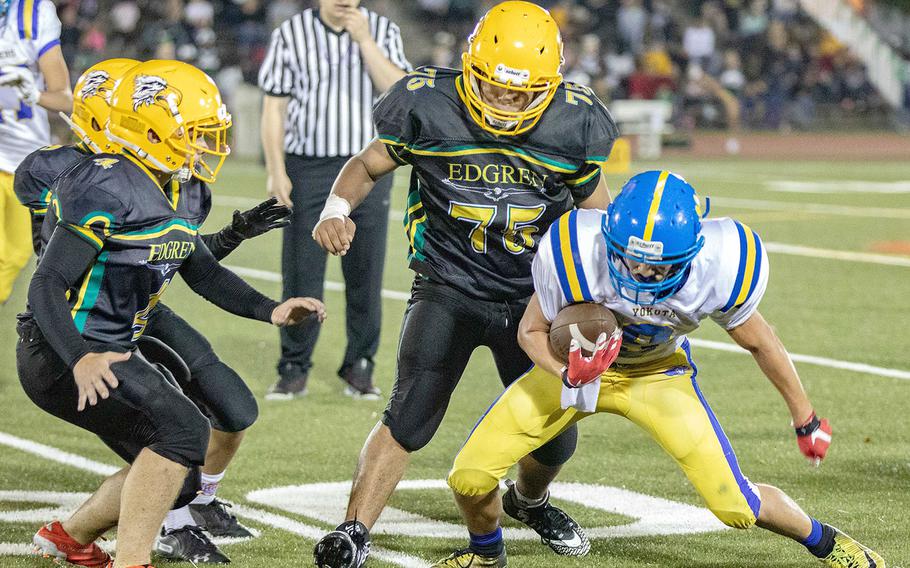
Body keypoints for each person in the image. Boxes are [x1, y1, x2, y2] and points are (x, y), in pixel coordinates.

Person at [437, 170, 882, 568]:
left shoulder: (721, 266)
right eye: (630, 257)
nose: (641, 272)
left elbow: (761, 342)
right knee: (470, 476)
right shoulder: (574, 249)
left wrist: (804, 416)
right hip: (576, 373)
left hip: (657, 375)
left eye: (658, 264)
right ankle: (486, 553)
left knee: (736, 506)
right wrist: (568, 373)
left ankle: (827, 543)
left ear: (694, 250)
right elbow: (531, 331)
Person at [312, 3, 618, 566]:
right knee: (409, 411)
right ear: (471, 68)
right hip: (447, 283)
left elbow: (597, 211)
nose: (505, 100)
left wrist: (605, 284)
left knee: (555, 435)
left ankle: (530, 499)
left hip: (535, 297)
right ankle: (353, 530)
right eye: (495, 87)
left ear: (549, 85)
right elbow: (368, 163)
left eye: (521, 92)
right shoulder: (428, 102)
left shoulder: (574, 122)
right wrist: (336, 207)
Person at [18, 59, 325, 568]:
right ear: (155, 130)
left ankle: (69, 537)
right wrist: (78, 357)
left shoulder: (179, 185)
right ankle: (133, 558)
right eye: (195, 133)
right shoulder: (105, 183)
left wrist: (271, 309)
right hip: (63, 349)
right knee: (182, 432)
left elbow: (200, 271)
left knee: (182, 468)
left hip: (117, 337)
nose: (206, 146)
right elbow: (47, 283)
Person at [259, 0, 410, 399]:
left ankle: (360, 365)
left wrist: (365, 40)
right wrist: (276, 169)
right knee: (301, 271)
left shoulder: (381, 29)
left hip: (369, 167)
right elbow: (274, 105)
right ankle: (294, 366)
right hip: (307, 165)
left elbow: (399, 91)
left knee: (366, 273)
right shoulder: (291, 33)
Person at [0, 0, 72, 303]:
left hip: (24, 163)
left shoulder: (33, 12)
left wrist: (34, 93)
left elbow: (66, 100)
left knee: (14, 256)